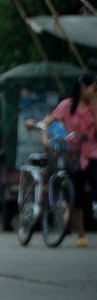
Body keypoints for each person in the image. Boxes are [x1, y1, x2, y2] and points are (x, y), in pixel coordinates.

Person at [29, 73, 97, 247]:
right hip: (73, 155)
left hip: (93, 153)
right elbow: (48, 122)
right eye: (93, 88)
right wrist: (37, 126)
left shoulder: (94, 106)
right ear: (83, 88)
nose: (94, 91)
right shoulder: (66, 106)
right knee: (78, 196)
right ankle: (81, 235)